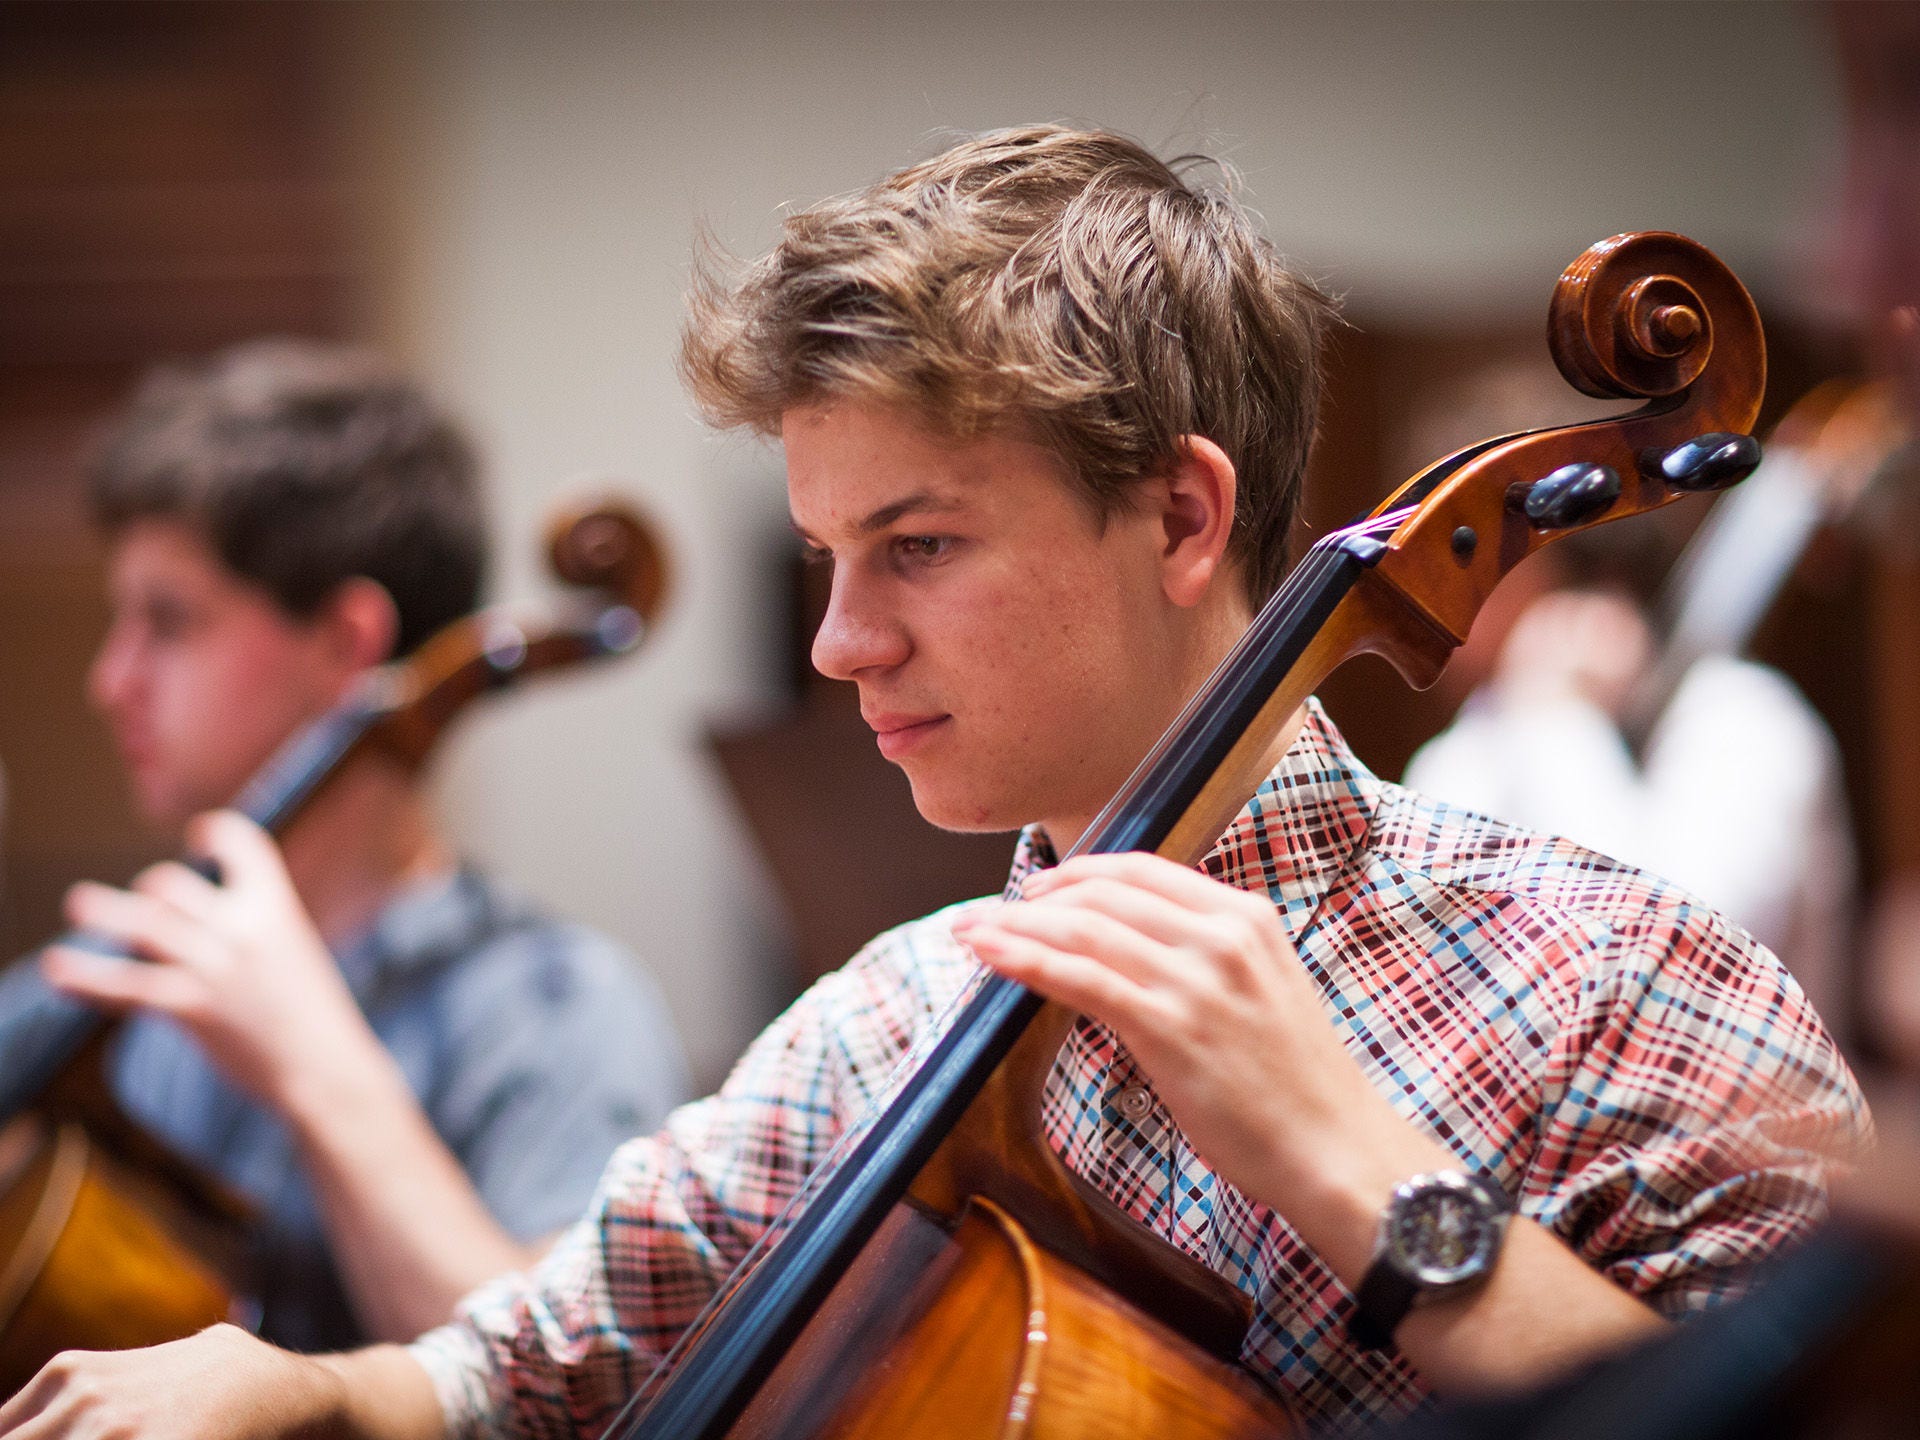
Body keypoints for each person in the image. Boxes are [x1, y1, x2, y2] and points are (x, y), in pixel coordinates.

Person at [0, 128, 1867, 1439]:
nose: (837, 644)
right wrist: (304, 1389)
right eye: (825, 559)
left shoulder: (1617, 972)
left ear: (1182, 512)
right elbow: (534, 1358)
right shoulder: (893, 1021)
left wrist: (1365, 1180)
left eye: (916, 547)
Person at [0, 339, 689, 1351]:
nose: (112, 679)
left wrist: (311, 1061)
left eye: (168, 620)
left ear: (347, 644)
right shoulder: (130, 966)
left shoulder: (560, 1012)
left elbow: (568, 1402)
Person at [1402, 505, 1857, 1034]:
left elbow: (1678, 966)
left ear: (1596, 595)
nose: (1442, 616)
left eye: (1480, 583)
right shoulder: (1488, 732)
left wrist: (1559, 717)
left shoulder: (1748, 720)